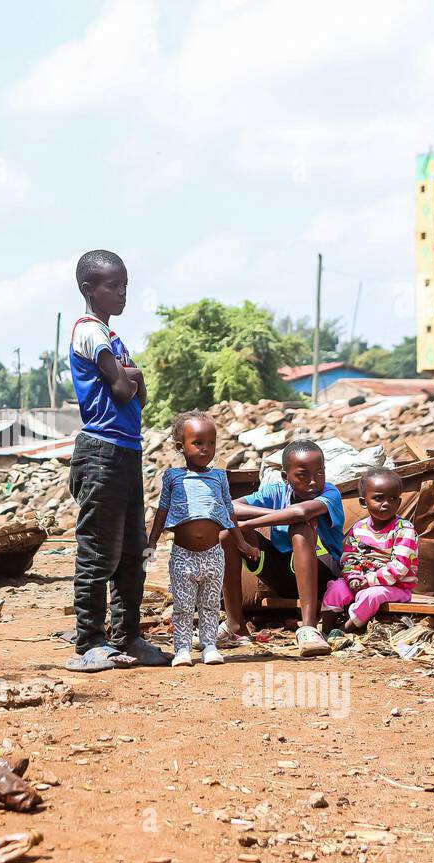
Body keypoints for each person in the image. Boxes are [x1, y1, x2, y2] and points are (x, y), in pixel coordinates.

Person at [65, 249, 167, 672]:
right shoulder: (90, 332)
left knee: (133, 550)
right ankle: (90, 640)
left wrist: (132, 377)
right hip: (102, 451)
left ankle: (128, 636)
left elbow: (137, 393)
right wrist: (133, 375)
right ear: (90, 290)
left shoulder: (111, 336)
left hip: (126, 450)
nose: (122, 292)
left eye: (125, 284)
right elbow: (125, 391)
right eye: (113, 285)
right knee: (97, 550)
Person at [146, 411, 253, 667]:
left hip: (214, 554)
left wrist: (241, 543)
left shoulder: (219, 477)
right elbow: (162, 510)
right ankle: (182, 648)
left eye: (211, 443)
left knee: (209, 604)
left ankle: (209, 646)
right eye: (198, 443)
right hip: (182, 555)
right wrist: (151, 543)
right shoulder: (173, 477)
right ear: (180, 447)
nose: (206, 449)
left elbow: (228, 512)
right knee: (183, 605)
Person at [220, 439, 345, 657]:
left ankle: (308, 627)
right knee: (227, 535)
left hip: (323, 578)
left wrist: (250, 523)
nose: (313, 482)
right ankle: (235, 625)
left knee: (301, 527)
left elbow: (300, 513)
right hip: (284, 575)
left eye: (319, 473)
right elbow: (228, 506)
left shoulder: (330, 493)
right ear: (285, 477)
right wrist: (271, 515)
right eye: (303, 475)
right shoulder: (275, 492)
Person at [321, 467, 419, 634]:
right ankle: (324, 629)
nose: (386, 503)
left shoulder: (404, 530)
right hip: (362, 580)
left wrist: (369, 581)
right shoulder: (359, 528)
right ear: (363, 502)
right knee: (336, 588)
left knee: (372, 595)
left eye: (393, 498)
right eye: (378, 498)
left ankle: (345, 629)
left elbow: (399, 567)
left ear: (399, 502)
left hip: (397, 587)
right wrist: (353, 577)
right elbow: (350, 557)